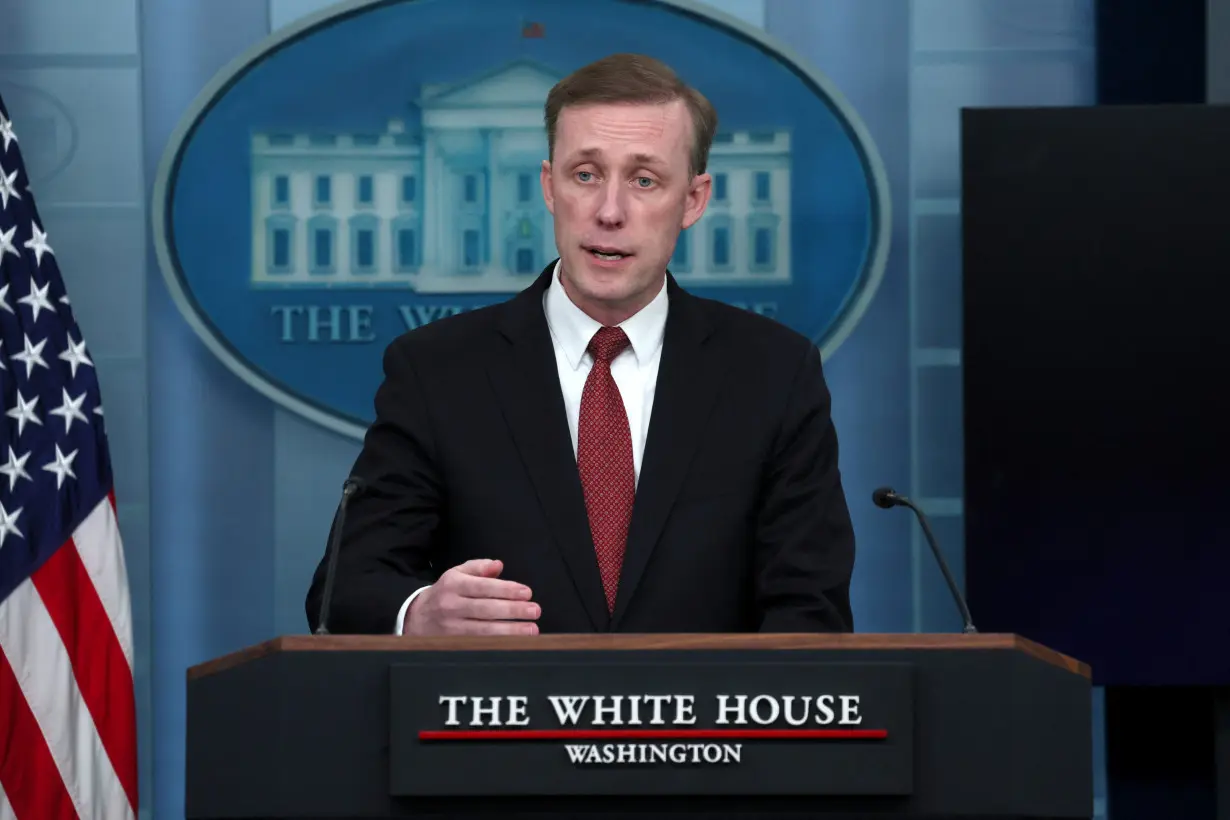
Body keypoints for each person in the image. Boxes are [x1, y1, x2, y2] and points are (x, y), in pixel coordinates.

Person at [304, 53, 855, 637]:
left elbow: (810, 612)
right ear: (549, 186)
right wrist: (419, 614)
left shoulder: (772, 372)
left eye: (643, 180)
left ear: (693, 200)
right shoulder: (437, 370)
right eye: (586, 175)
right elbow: (346, 587)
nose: (609, 212)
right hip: (497, 724)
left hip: (703, 728)